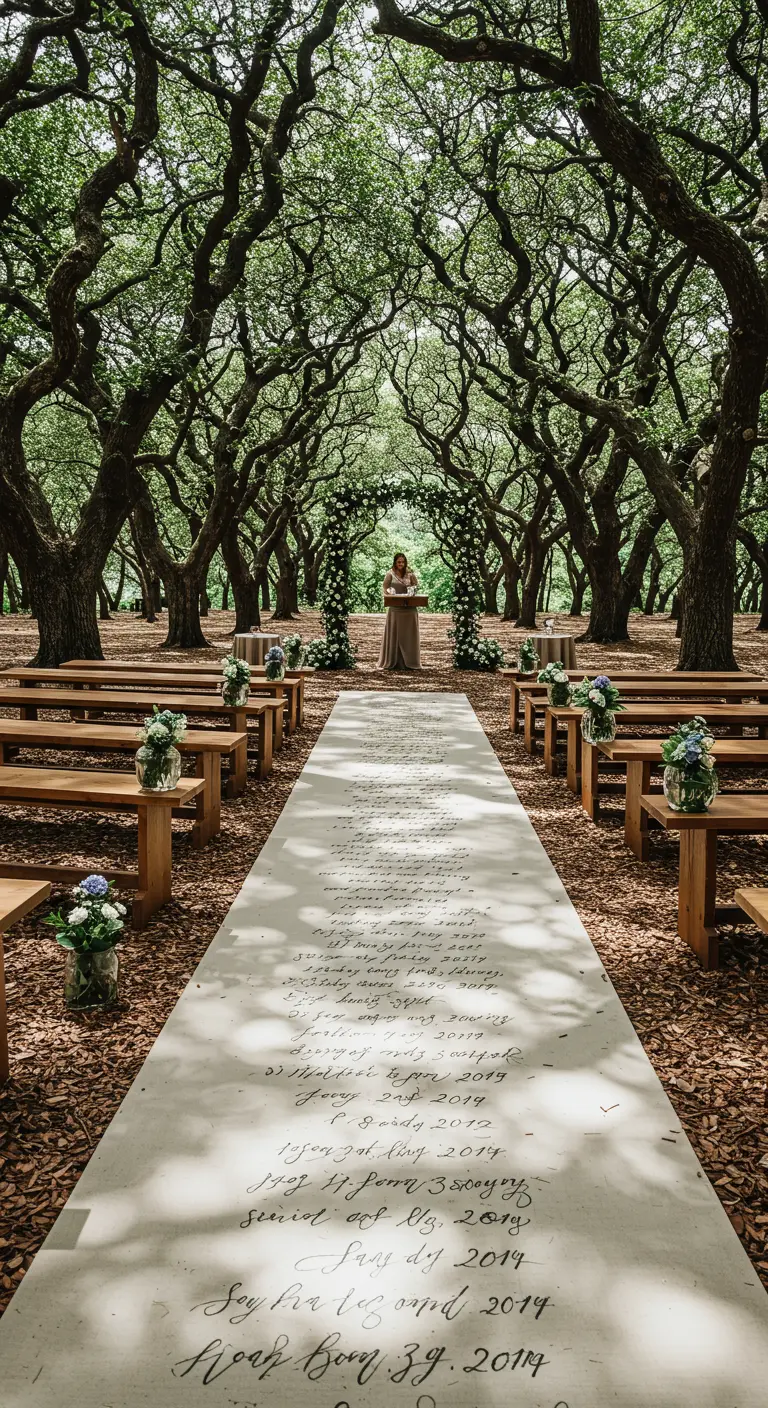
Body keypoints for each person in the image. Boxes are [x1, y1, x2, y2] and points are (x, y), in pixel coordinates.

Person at [378, 552, 422, 669]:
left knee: (409, 635)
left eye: (402, 562)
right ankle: (394, 661)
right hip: (395, 609)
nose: (401, 564)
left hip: (409, 609)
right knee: (395, 634)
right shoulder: (390, 574)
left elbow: (416, 586)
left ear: (405, 562)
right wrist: (389, 591)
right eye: (398, 562)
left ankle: (410, 661)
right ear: (395, 562)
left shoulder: (410, 573)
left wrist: (413, 589)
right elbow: (385, 588)